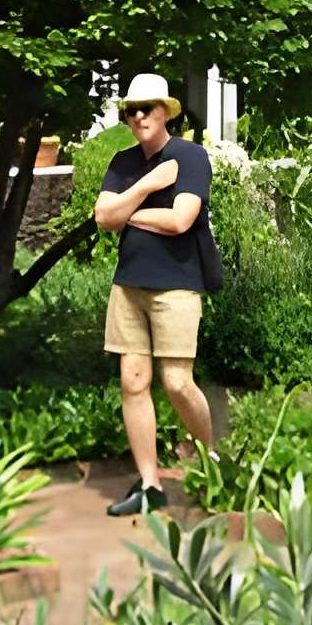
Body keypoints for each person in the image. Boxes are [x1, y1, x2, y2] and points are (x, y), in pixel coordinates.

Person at [92, 73, 215, 516]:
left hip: (178, 284)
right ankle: (149, 485)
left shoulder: (190, 156)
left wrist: (127, 211)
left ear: (165, 111)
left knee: (178, 383)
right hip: (129, 285)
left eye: (149, 107)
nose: (140, 116)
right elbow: (103, 217)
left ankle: (211, 462)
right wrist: (145, 187)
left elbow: (182, 219)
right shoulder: (124, 163)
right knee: (133, 382)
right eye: (132, 110)